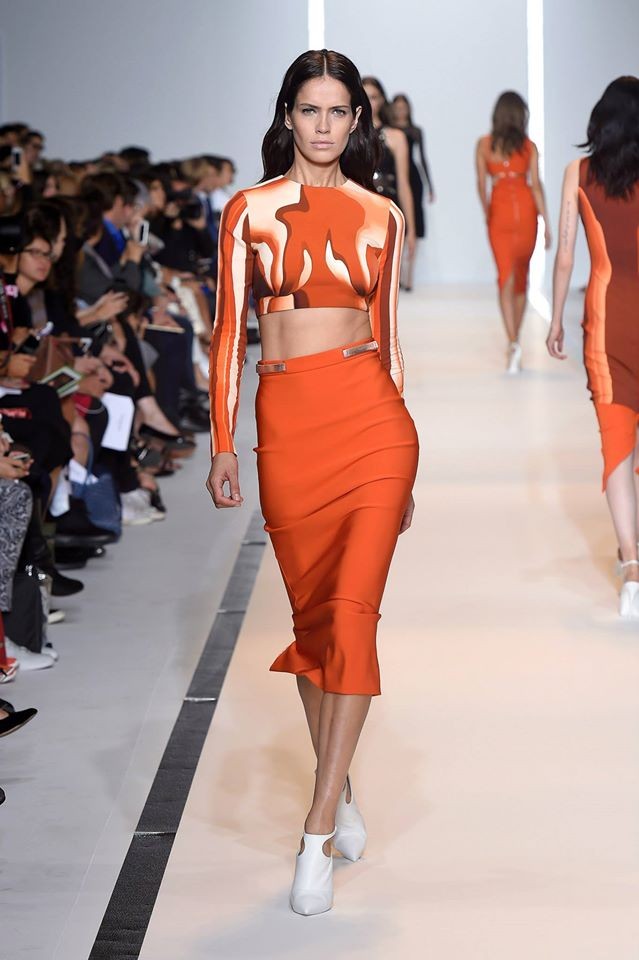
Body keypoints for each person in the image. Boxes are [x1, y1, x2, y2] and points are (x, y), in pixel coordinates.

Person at [206, 49, 419, 916]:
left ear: (355, 121)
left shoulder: (381, 214)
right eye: (309, 110)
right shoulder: (248, 211)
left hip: (373, 424)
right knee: (313, 624)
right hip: (288, 427)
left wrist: (407, 465)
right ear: (286, 116)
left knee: (354, 617)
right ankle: (343, 783)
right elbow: (228, 334)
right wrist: (223, 442)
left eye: (337, 111)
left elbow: (390, 336)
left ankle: (317, 828)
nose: (323, 125)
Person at [546, 76, 639, 618]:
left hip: (608, 324)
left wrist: (556, 318)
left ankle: (632, 567)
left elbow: (565, 255)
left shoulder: (578, 174)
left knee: (617, 446)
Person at [476, 91, 551, 374]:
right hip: (525, 211)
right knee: (518, 276)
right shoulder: (528, 147)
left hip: (500, 212)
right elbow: (536, 186)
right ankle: (514, 339)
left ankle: (513, 341)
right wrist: (547, 222)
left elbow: (481, 183)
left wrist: (487, 211)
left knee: (507, 276)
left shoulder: (485, 145)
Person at [362, 76, 416, 261]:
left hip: (386, 209)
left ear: (382, 100)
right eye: (364, 96)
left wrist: (411, 229)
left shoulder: (396, 137)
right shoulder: (347, 134)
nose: (369, 102)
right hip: (356, 210)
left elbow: (403, 184)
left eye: (373, 97)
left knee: (386, 269)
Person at [391, 93, 435, 290]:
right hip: (395, 179)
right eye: (397, 107)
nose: (401, 111)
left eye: (404, 107)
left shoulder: (415, 131)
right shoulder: (389, 130)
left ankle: (409, 277)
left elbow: (422, 158)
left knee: (413, 225)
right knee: (397, 224)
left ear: (408, 109)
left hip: (413, 178)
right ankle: (398, 274)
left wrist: (430, 185)